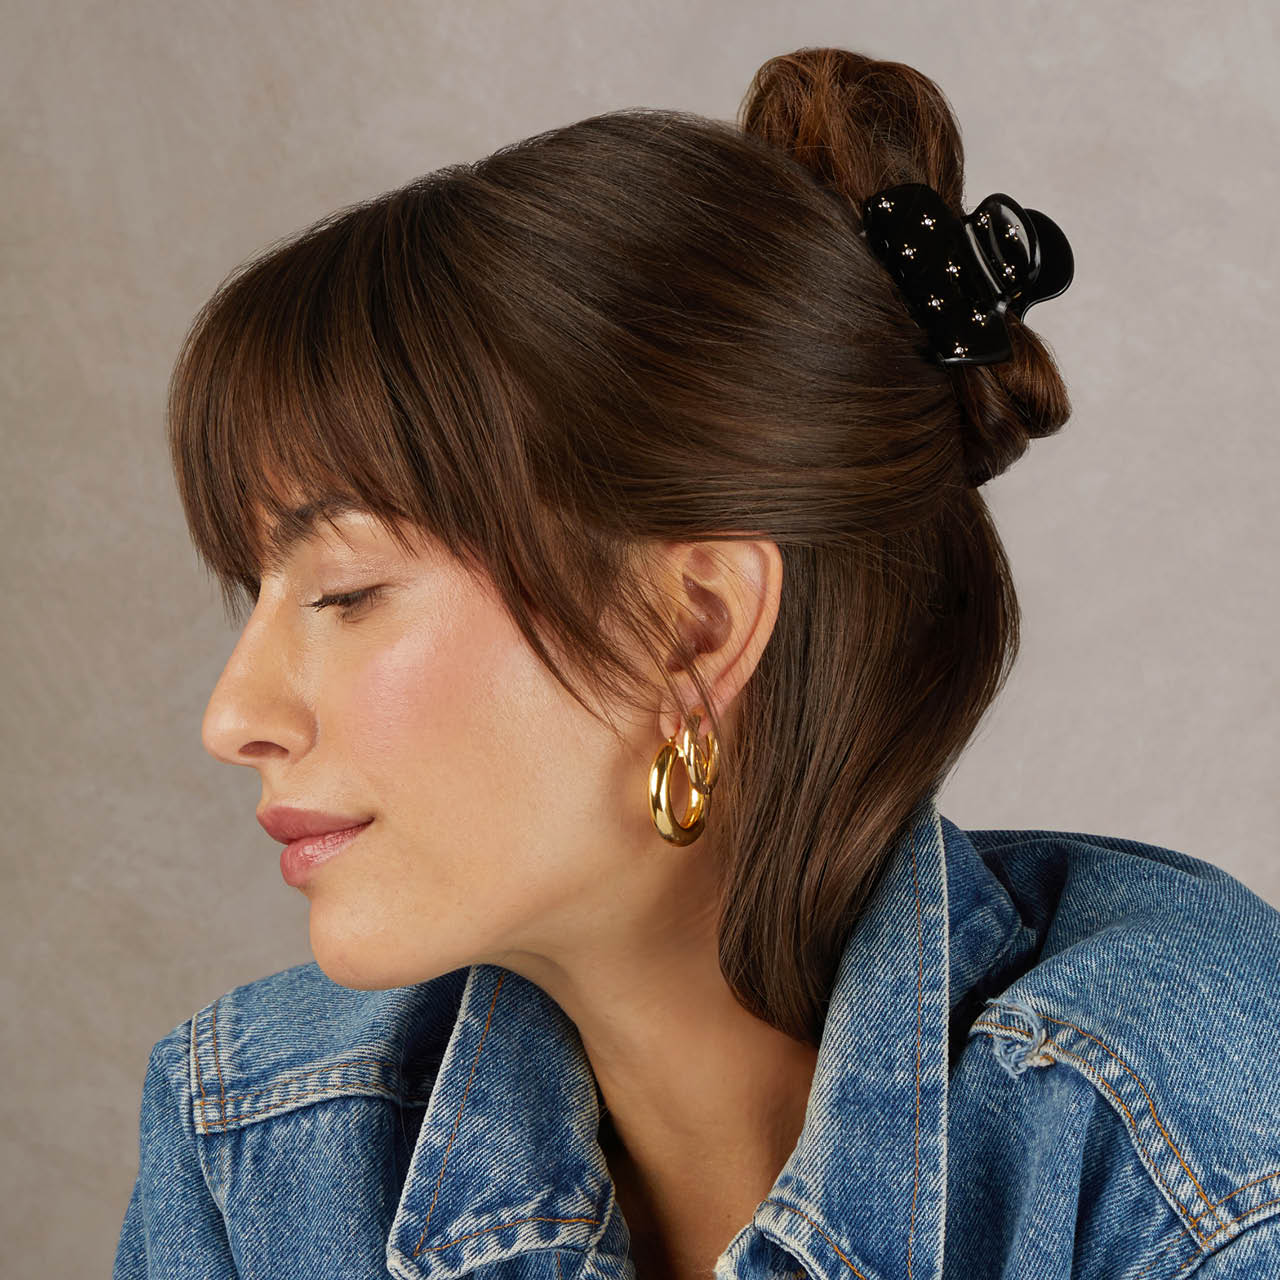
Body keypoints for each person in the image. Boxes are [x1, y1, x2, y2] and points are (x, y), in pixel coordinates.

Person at [115, 45, 1280, 1280]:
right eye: (256, 595)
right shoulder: (260, 1136)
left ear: (693, 632)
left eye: (344, 591)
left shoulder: (1181, 1143)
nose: (233, 715)